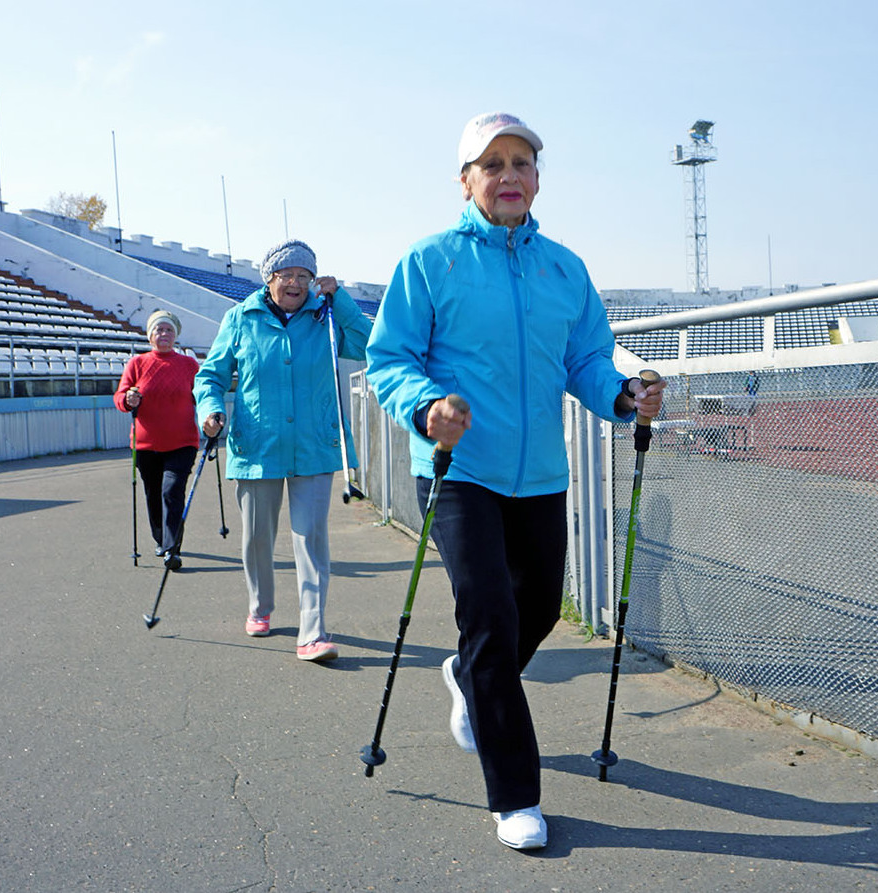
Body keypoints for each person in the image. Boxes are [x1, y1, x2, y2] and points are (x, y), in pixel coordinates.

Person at [365, 112, 666, 851]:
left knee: (539, 609)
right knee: (493, 621)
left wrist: (623, 394)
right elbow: (389, 358)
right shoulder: (429, 261)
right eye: (492, 164)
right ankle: (515, 797)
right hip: (460, 470)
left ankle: (468, 677)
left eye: (522, 163)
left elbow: (589, 360)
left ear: (537, 178)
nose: (509, 176)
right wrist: (425, 405)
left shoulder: (564, 267)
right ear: (466, 181)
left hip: (540, 476)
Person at [193, 239, 371, 662]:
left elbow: (370, 346)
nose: (295, 283)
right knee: (257, 538)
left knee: (311, 540)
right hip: (258, 447)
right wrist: (211, 410)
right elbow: (210, 376)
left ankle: (313, 632)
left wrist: (341, 299)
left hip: (313, 444)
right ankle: (260, 606)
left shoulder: (327, 317)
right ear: (269, 278)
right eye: (287, 275)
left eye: (304, 276)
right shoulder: (239, 318)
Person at [114, 309, 199, 570]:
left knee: (172, 492)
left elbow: (205, 394)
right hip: (146, 445)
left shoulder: (189, 365)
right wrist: (128, 399)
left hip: (182, 442)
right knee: (153, 494)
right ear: (150, 335)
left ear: (176, 336)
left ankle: (172, 549)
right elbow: (120, 398)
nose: (164, 334)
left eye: (169, 330)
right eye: (159, 330)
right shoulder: (137, 364)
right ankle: (162, 540)